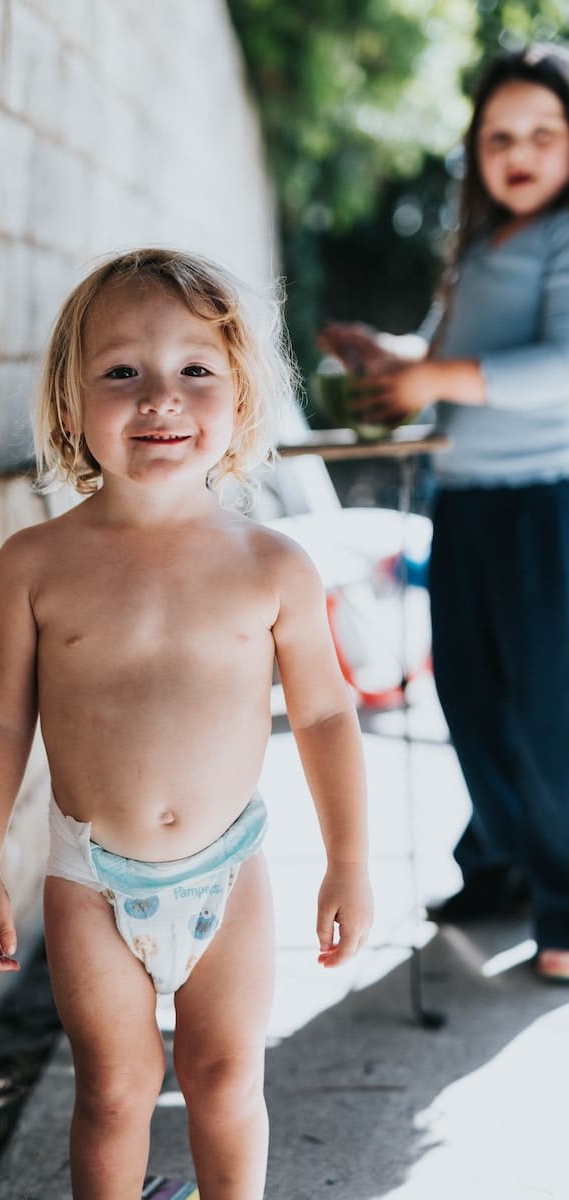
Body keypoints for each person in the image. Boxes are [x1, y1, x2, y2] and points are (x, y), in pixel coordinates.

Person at [0, 247, 373, 1198]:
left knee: (226, 1081)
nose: (160, 397)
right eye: (121, 372)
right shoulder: (35, 564)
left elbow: (324, 714)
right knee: (115, 1089)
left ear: (241, 399)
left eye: (194, 369)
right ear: (70, 403)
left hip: (229, 872)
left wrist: (348, 863)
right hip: (90, 880)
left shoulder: (273, 566)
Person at [319, 44, 569, 986]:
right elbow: (440, 359)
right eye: (500, 136)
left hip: (544, 502)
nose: (519, 152)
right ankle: (504, 863)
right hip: (462, 502)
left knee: (546, 714)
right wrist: (389, 357)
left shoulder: (564, 235)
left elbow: (559, 365)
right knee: (468, 697)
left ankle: (564, 902)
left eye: (544, 133)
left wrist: (431, 376)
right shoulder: (481, 246)